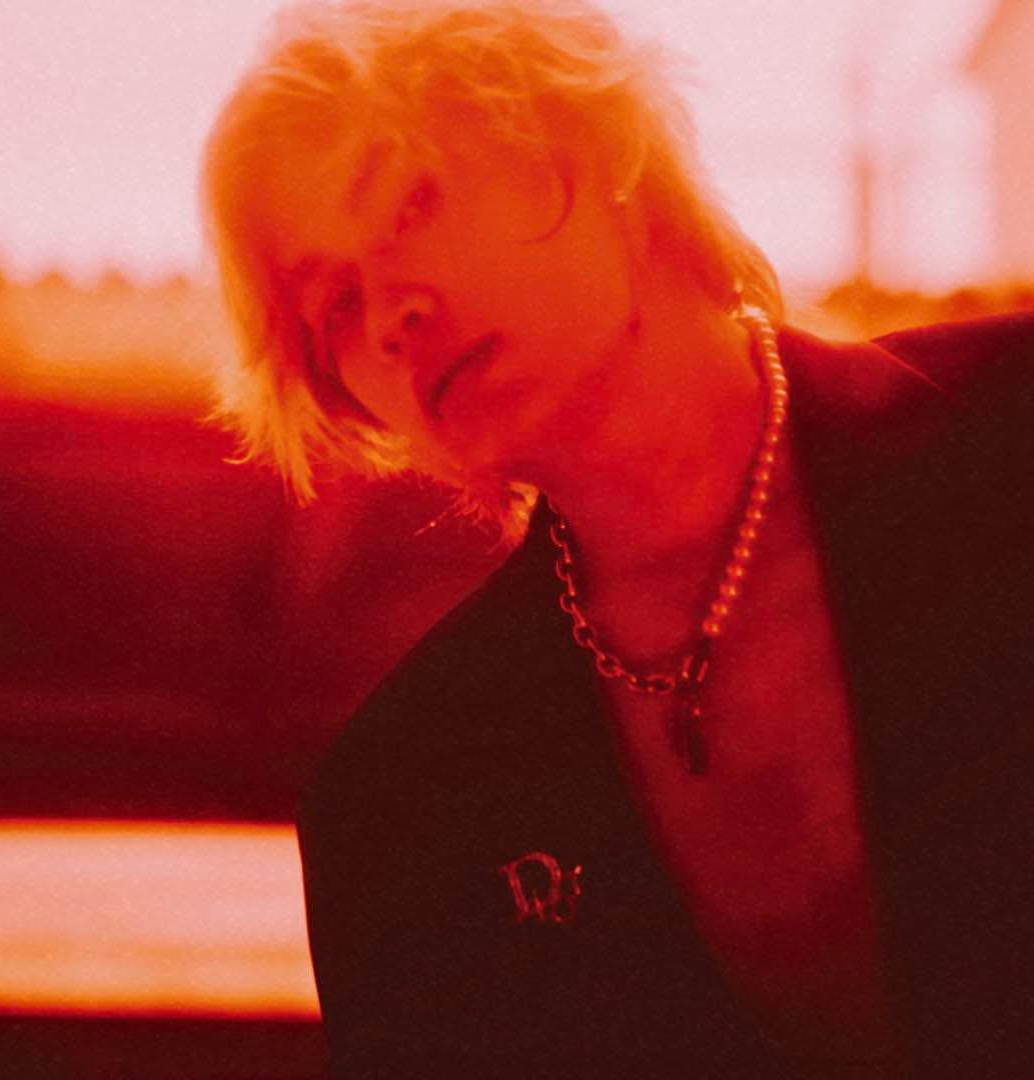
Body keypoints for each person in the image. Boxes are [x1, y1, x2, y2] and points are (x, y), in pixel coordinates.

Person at [199, 1, 1034, 1076]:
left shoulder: (1009, 440)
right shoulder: (401, 802)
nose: (390, 315)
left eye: (414, 200)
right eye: (333, 306)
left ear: (599, 148)